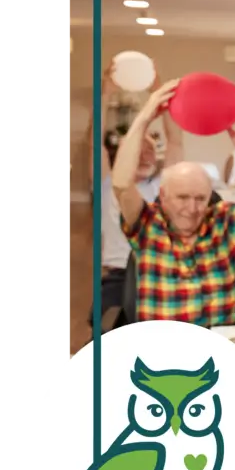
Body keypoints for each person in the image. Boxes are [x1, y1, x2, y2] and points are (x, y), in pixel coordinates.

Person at [115, 81, 235, 361]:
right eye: (182, 198)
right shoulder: (146, 223)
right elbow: (121, 184)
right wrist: (143, 118)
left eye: (200, 198)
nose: (192, 208)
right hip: (161, 339)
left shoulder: (226, 220)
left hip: (224, 338)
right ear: (163, 196)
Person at [89, 61, 184, 324]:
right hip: (118, 275)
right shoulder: (108, 183)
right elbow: (96, 143)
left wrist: (159, 91)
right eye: (138, 151)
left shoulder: (165, 184)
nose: (144, 155)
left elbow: (175, 140)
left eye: (150, 150)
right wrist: (105, 94)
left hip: (159, 273)